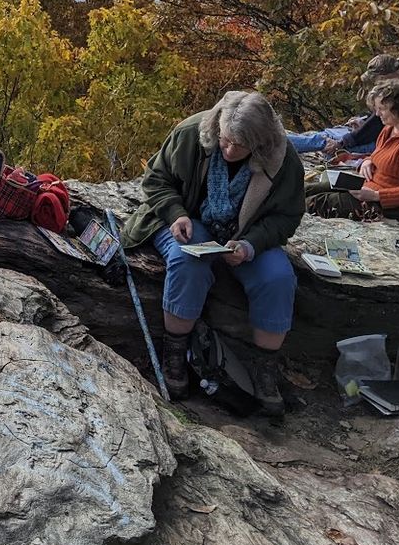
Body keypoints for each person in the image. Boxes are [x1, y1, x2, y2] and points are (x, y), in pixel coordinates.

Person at [119, 91, 305, 415]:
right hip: (190, 219)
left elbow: (286, 216)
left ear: (261, 143)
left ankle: (264, 370)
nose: (230, 150)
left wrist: (250, 246)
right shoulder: (193, 133)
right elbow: (156, 179)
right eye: (226, 140)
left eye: (241, 145)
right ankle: (175, 353)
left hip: (248, 233)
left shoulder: (283, 158)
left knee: (277, 278)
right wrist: (175, 213)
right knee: (187, 260)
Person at [305, 78, 399, 221]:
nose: (377, 114)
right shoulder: (389, 129)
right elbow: (380, 155)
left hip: (392, 205)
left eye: (381, 109)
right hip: (367, 187)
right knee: (305, 190)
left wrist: (377, 196)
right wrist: (368, 160)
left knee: (315, 203)